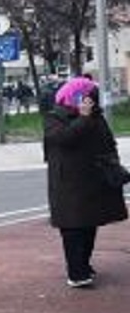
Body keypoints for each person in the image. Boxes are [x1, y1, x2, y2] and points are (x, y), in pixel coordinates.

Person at [43, 76, 128, 288]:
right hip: (68, 185)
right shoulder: (56, 118)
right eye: (85, 96)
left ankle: (84, 264)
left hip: (93, 181)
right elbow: (63, 139)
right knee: (73, 229)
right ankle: (76, 272)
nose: (89, 101)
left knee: (89, 226)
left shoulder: (97, 118)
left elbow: (108, 143)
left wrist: (114, 164)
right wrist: (83, 119)